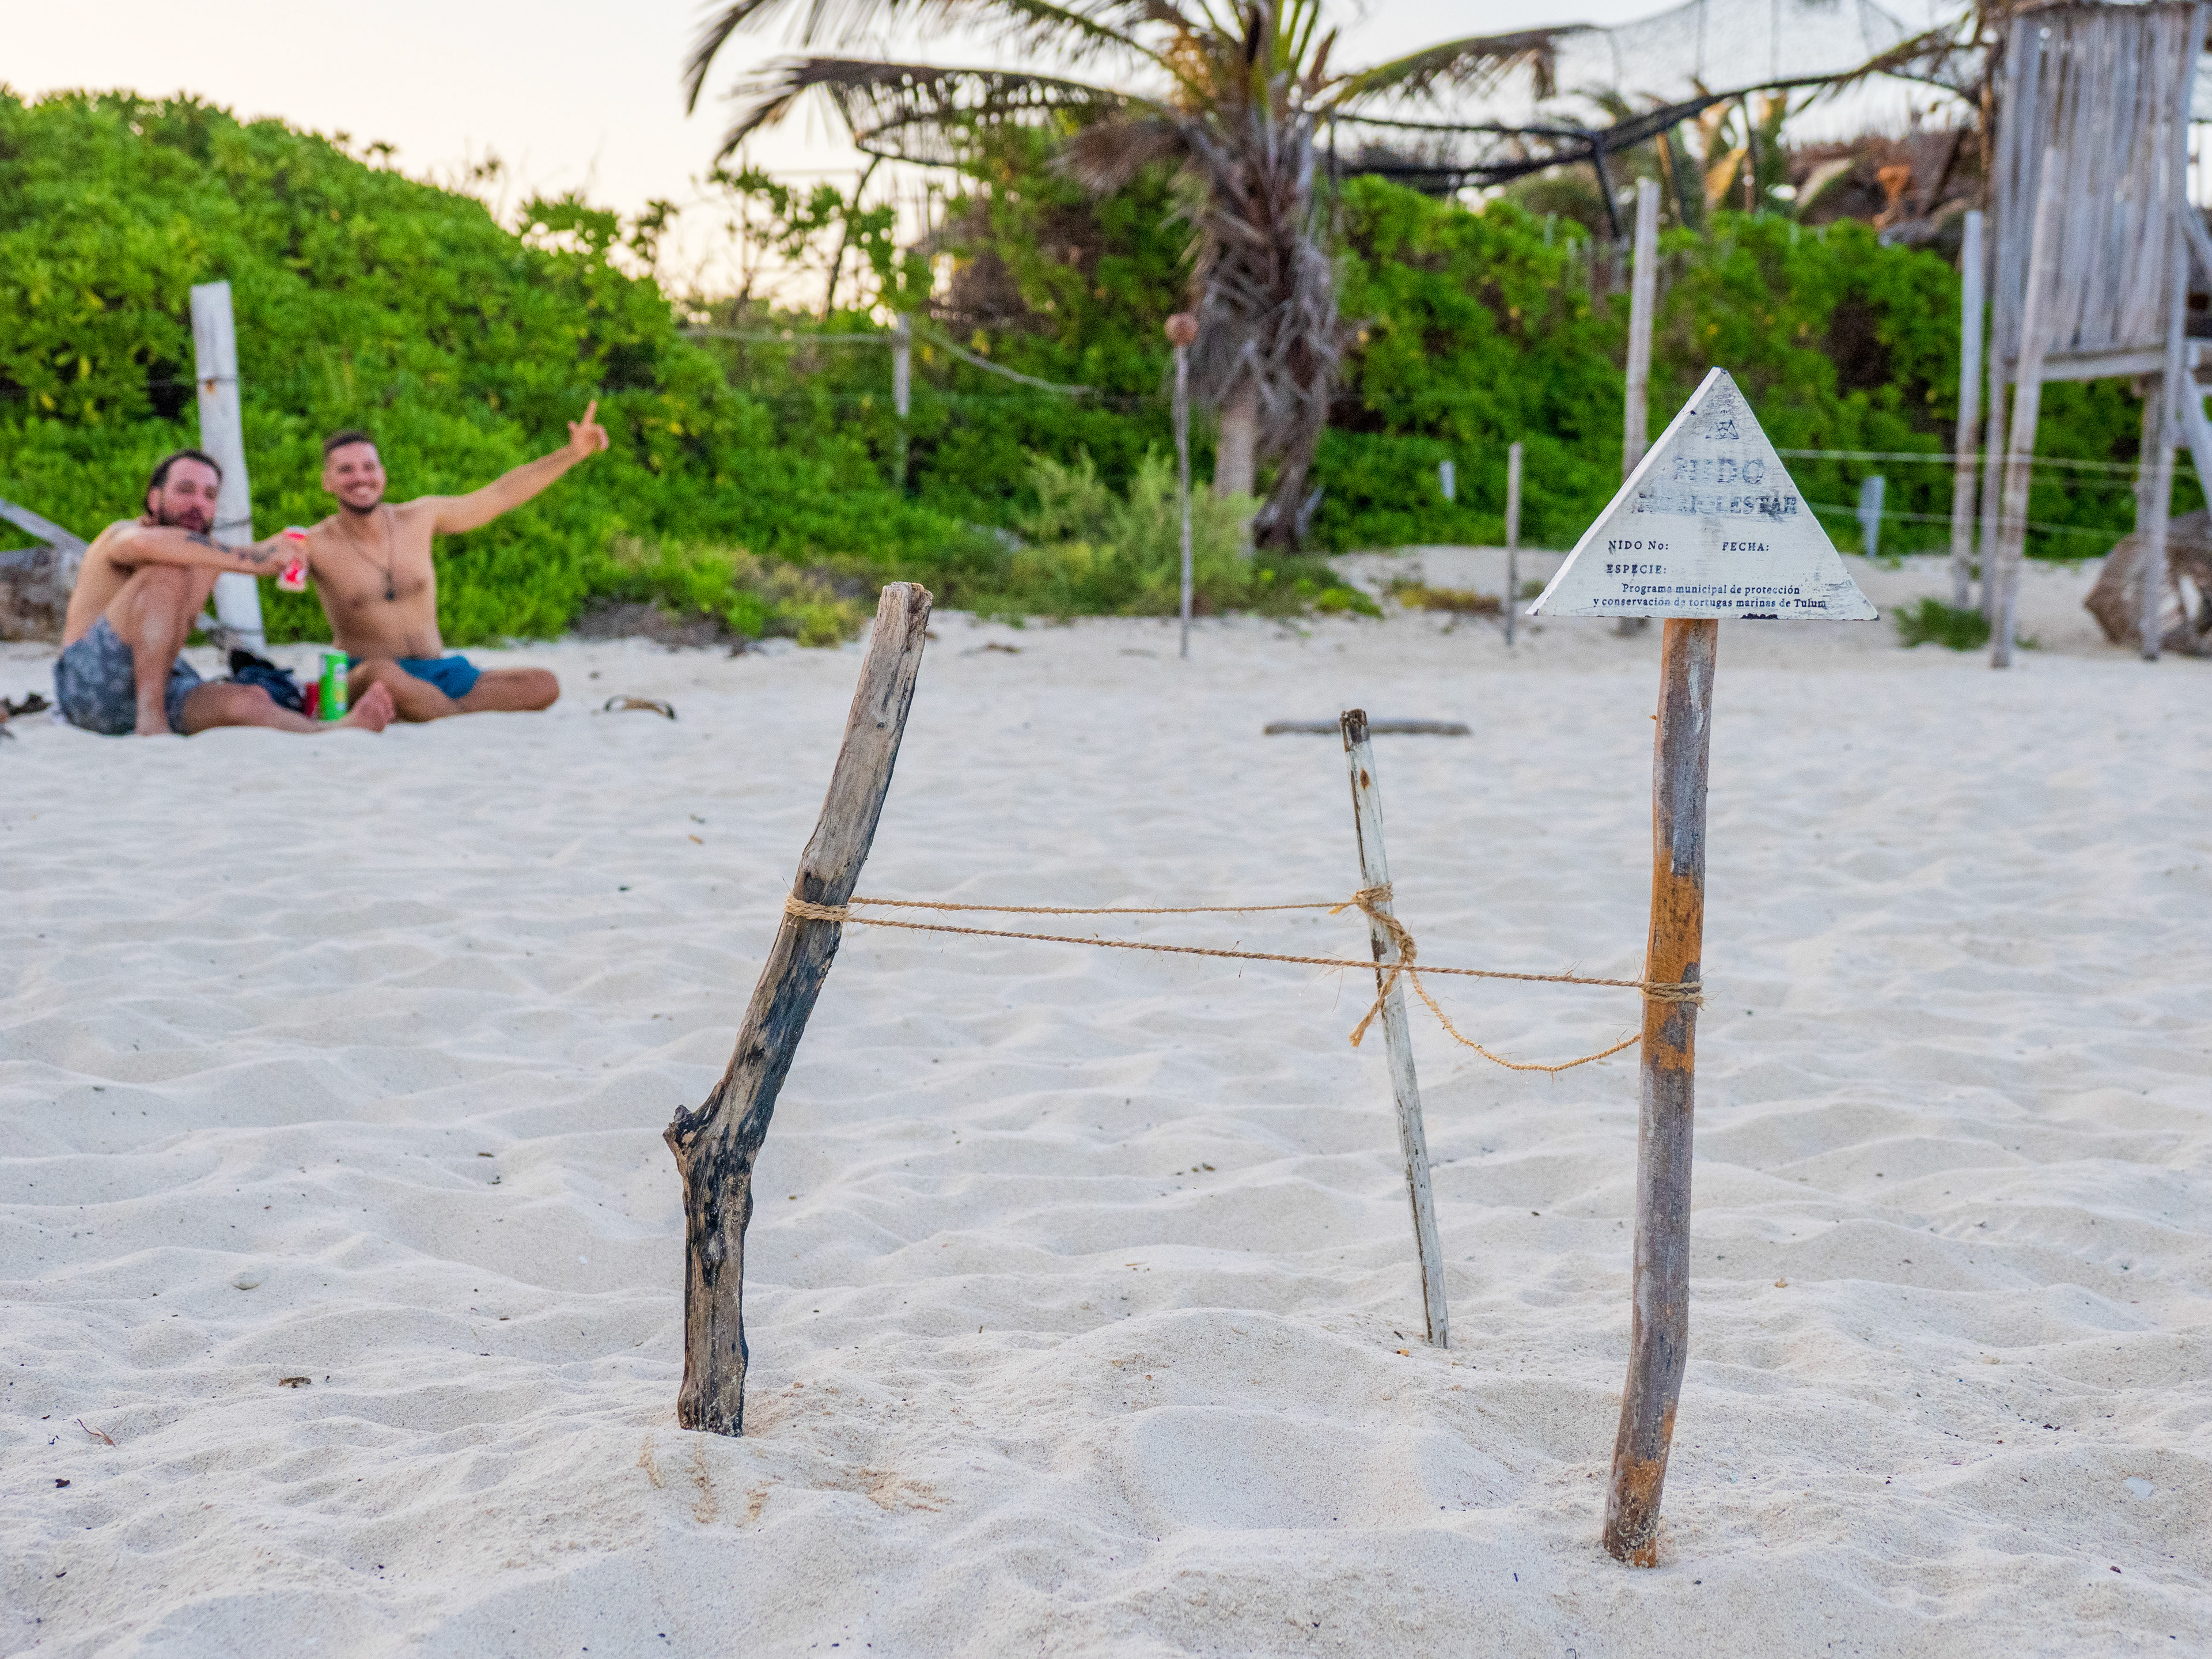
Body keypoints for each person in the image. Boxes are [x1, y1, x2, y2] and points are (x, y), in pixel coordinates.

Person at [55, 449, 395, 737]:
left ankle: (330, 730)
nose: (198, 503)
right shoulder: (123, 534)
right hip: (87, 687)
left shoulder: (206, 559)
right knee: (166, 569)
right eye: (185, 490)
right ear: (155, 499)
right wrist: (255, 559)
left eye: (209, 495)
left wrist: (287, 554)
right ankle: (152, 723)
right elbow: (147, 545)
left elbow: (212, 554)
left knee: (250, 699)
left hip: (163, 685)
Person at [301, 405, 608, 721]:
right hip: (368, 673)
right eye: (346, 470)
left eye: (369, 467)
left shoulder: (420, 517)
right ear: (327, 481)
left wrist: (572, 453)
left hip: (438, 671)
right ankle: (435, 709)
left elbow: (501, 494)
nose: (360, 477)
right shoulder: (311, 541)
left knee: (543, 684)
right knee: (381, 674)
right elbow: (265, 555)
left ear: (382, 474)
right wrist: (273, 556)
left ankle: (433, 709)